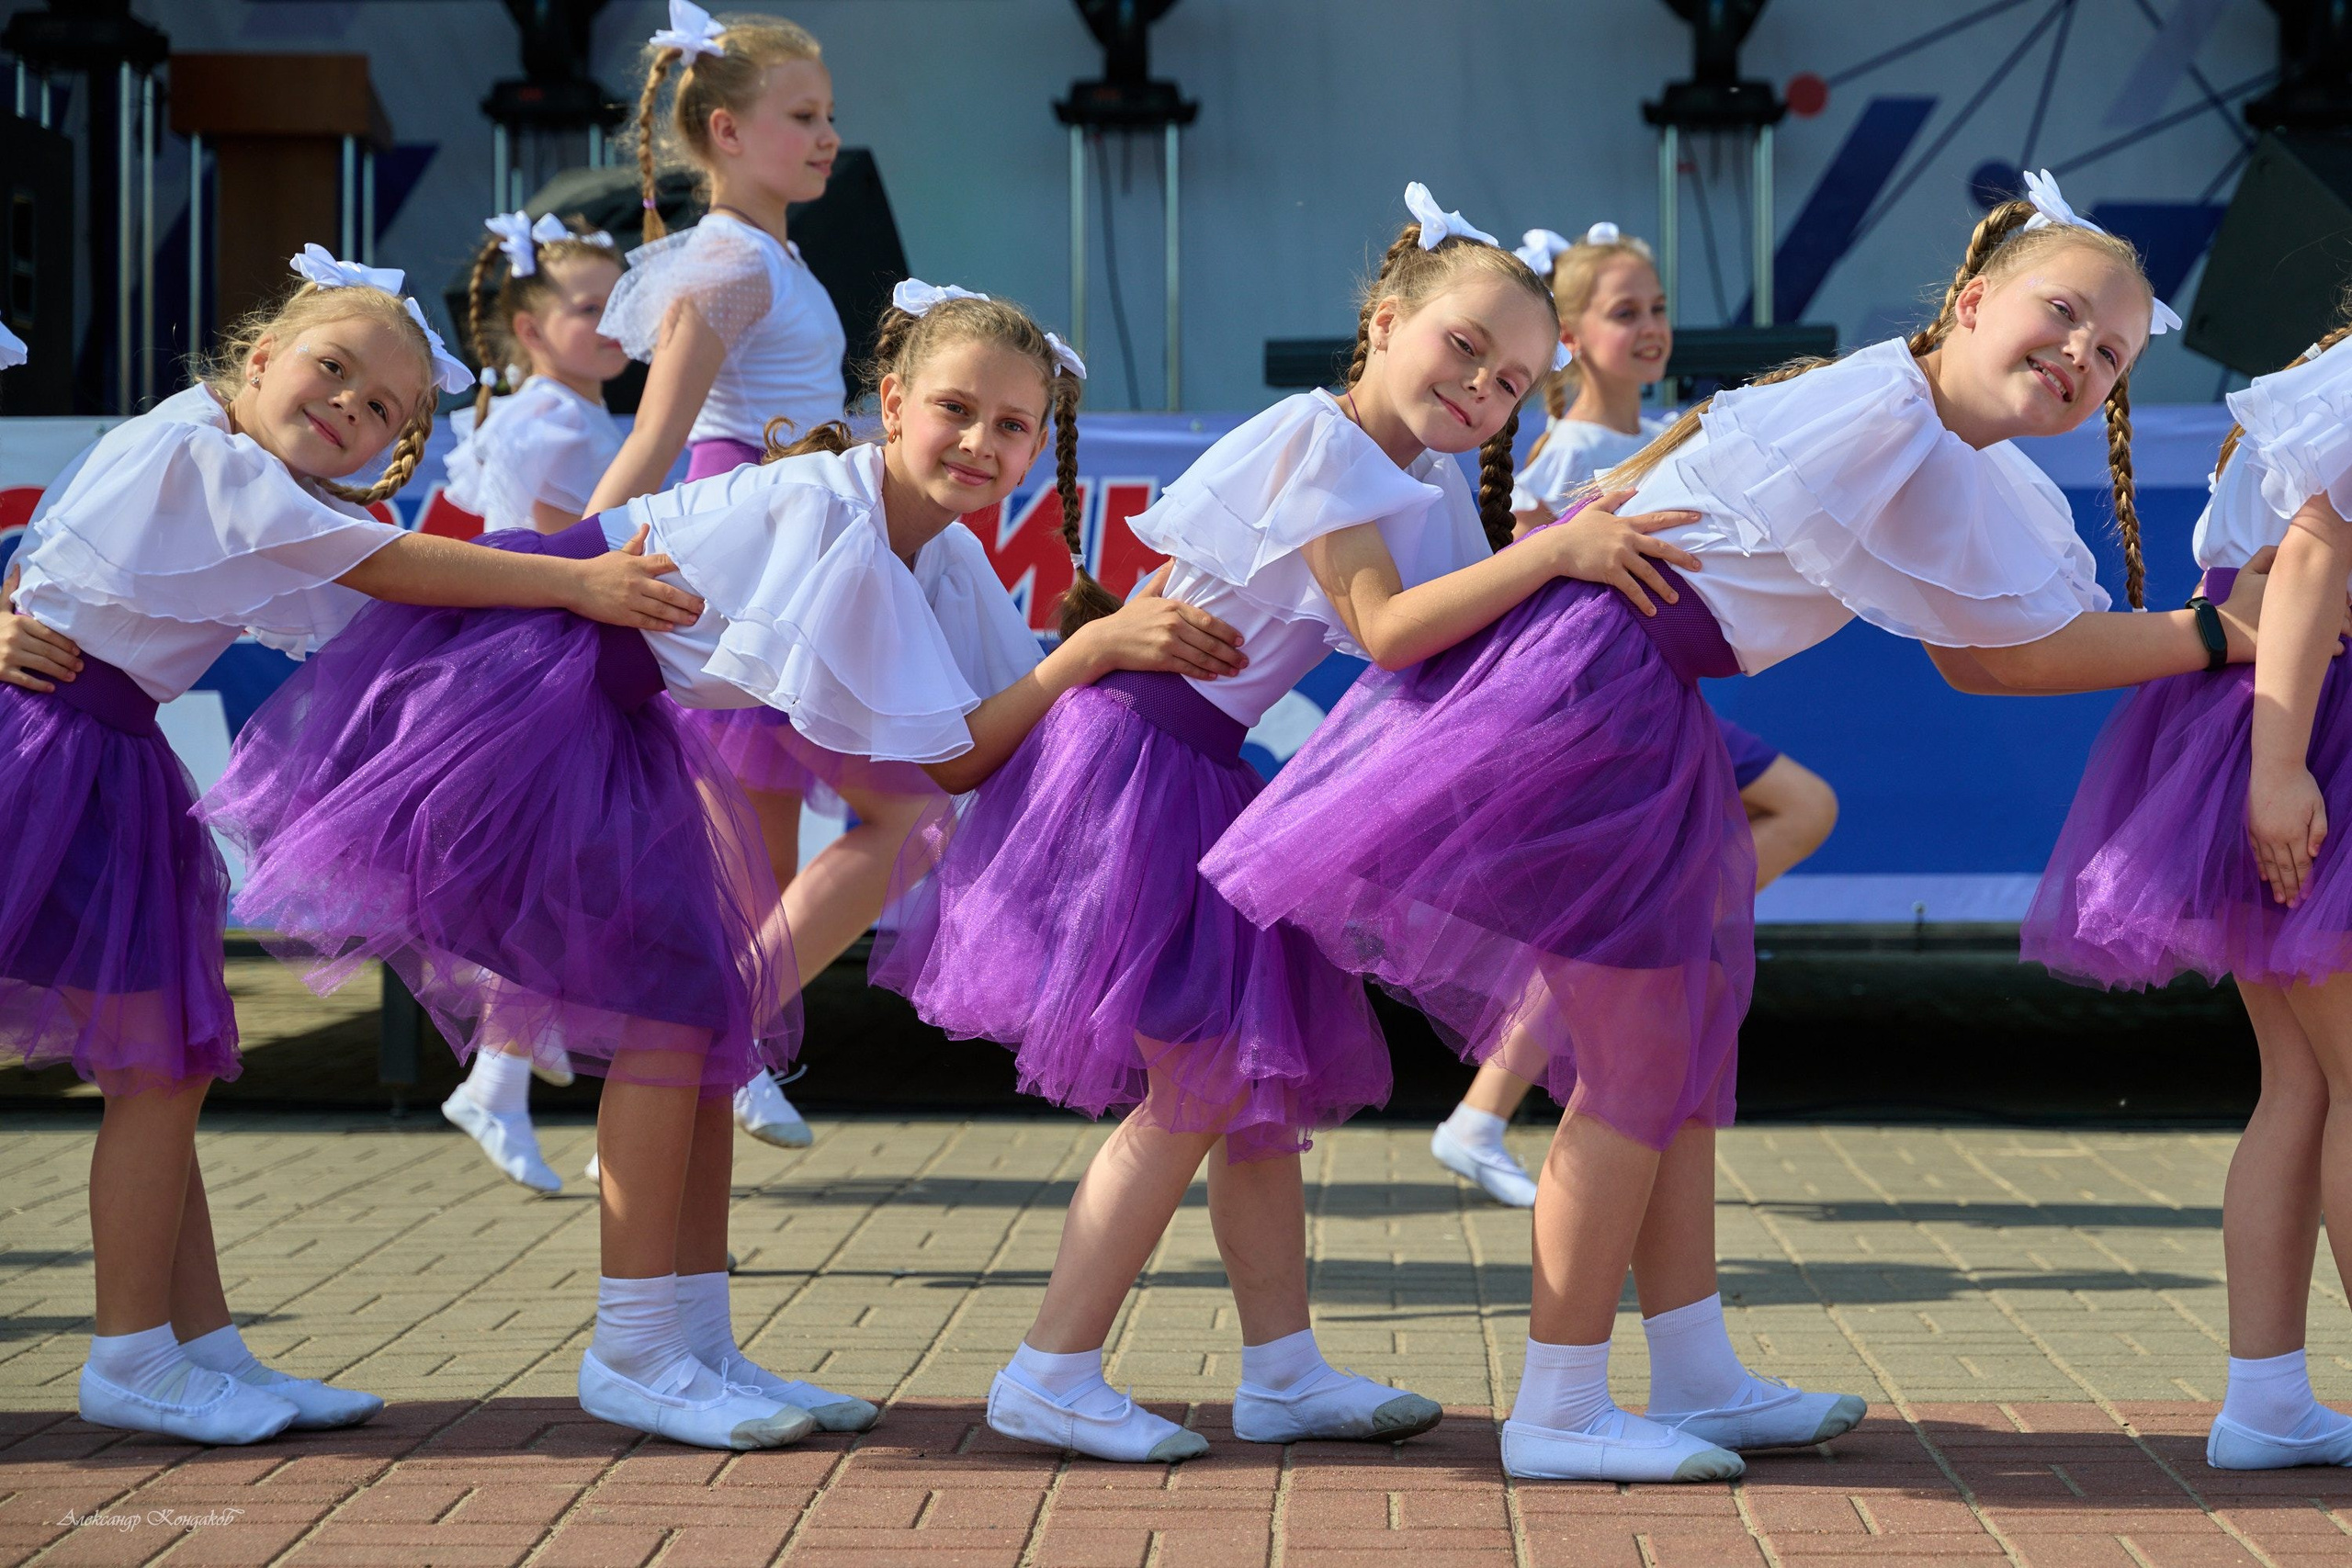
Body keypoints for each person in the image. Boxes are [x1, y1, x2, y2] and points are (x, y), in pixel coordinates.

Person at [1203, 172, 2256, 1483]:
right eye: (2062, 316)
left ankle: (1694, 1366)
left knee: (1680, 1045)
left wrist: (2199, 640)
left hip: (1634, 694)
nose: (2082, 358)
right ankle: (1561, 1403)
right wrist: (2213, 633)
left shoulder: (1922, 433)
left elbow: (1990, 660)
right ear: (1972, 302)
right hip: (1596, 695)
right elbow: (2006, 646)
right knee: (1638, 1065)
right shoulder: (1881, 413)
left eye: (2113, 354)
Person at [873, 185, 1702, 1464]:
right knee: (1198, 1080)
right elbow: (1384, 628)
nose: (1481, 386)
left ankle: (1282, 1368)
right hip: (1138, 757)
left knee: (1248, 1093)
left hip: (1199, 758)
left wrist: (1579, 528)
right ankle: (1049, 1364)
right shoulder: (1321, 443)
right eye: (1463, 347)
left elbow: (1464, 629)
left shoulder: (1415, 477)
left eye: (1514, 380)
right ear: (1385, 322)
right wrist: (1554, 553)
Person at [0, 247, 697, 1445]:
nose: (348, 407)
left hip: (102, 748)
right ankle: (129, 1357)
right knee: (155, 1070)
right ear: (258, 357)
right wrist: (577, 587)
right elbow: (391, 567)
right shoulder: (203, 453)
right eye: (331, 370)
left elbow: (379, 599)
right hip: (54, 752)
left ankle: (196, 1347)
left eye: (382, 407)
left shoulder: (230, 465)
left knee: (156, 1067)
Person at [2024, 317, 2352, 1472]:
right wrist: (2277, 769)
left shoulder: (2319, 377)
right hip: (2304, 735)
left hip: (2275, 733)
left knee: (2303, 1085)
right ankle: (2263, 1398)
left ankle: (2265, 1398)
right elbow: (2312, 557)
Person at [1430, 716, 1836, 1206]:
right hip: (1622, 691)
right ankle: (1485, 1119)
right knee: (1617, 934)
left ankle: (1481, 1117)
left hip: (1632, 688)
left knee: (1615, 928)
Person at [436, 209, 633, 1191]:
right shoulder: (555, 420)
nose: (612, 321)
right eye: (589, 306)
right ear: (528, 329)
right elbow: (578, 544)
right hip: (551, 646)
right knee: (556, 872)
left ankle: (510, 1060)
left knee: (573, 873)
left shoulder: (577, 412)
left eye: (622, 303)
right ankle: (502, 1070)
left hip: (561, 640)